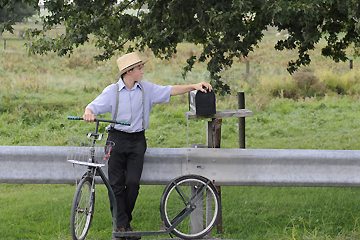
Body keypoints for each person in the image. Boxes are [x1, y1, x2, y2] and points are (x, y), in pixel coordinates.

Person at [83, 52, 212, 240]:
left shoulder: (146, 89)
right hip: (116, 140)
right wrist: (88, 113)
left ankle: (123, 225)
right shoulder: (112, 91)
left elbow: (170, 90)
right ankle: (122, 228)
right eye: (139, 68)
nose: (142, 71)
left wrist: (193, 86)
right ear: (129, 72)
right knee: (116, 186)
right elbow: (92, 107)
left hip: (137, 141)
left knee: (133, 184)